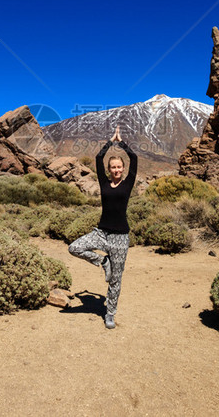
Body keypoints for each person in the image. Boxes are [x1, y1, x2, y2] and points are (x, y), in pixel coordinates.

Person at [68, 125, 137, 329]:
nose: (116, 170)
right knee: (74, 248)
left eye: (119, 167)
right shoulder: (104, 183)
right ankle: (102, 262)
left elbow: (134, 157)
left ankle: (110, 314)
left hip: (120, 238)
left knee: (116, 279)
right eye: (113, 167)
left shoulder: (128, 183)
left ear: (123, 169)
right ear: (109, 170)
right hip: (101, 233)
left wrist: (121, 142)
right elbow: (99, 158)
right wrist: (110, 142)